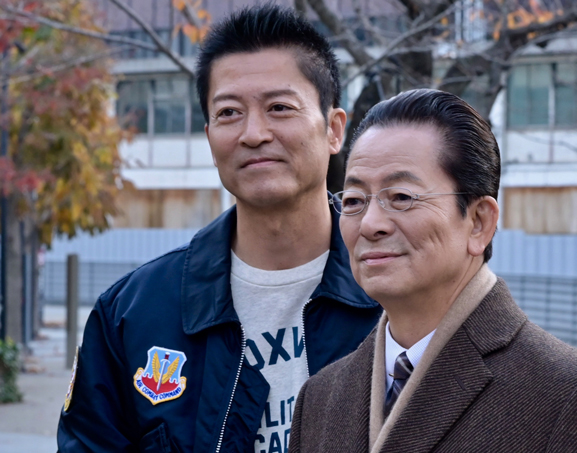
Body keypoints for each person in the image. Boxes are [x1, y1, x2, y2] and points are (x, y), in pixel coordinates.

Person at [57, 5, 381, 452]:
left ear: (334, 129)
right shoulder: (132, 315)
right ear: (210, 137)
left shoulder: (394, 291)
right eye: (229, 112)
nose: (254, 133)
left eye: (279, 108)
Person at [289, 89, 577, 453]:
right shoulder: (320, 398)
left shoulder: (576, 397)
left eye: (401, 197)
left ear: (479, 222)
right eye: (354, 201)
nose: (370, 224)